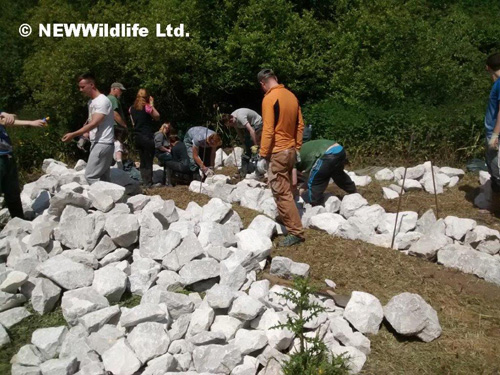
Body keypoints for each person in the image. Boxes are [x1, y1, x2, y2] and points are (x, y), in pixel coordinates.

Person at [258, 68, 305, 247]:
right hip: (291, 149)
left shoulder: (269, 98)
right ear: (275, 79)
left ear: (263, 84)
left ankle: (295, 232)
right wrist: (297, 147)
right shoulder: (292, 96)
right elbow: (300, 125)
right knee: (287, 189)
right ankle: (289, 215)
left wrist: (263, 154)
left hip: (278, 151)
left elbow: (268, 129)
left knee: (281, 191)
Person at [62, 73, 115, 185]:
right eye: (79, 87)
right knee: (104, 178)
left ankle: (101, 201)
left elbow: (95, 122)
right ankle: (112, 200)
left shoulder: (102, 101)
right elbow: (91, 121)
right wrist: (85, 135)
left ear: (91, 85)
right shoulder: (91, 102)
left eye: (83, 87)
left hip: (103, 143)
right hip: (98, 142)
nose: (80, 90)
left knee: (90, 176)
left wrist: (73, 134)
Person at [0, 111, 46, 219]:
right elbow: (2, 120)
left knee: (13, 192)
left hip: (8, 156)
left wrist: (6, 114)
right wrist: (30, 122)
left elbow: (11, 118)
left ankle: (19, 222)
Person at [296, 139, 356, 206]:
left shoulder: (293, 161)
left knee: (315, 182)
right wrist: (302, 188)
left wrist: (299, 190)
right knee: (338, 176)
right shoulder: (298, 152)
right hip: (339, 150)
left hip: (327, 155)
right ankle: (354, 193)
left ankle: (317, 207)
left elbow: (311, 177)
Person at [129, 88, 160, 187]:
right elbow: (157, 116)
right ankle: (149, 183)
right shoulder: (147, 107)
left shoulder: (131, 109)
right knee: (148, 159)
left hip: (137, 136)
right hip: (146, 135)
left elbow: (133, 123)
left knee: (142, 159)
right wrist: (152, 104)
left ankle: (143, 180)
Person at [222, 109, 263, 176]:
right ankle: (244, 171)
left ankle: (259, 168)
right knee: (248, 147)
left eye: (230, 125)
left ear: (231, 120)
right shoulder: (232, 119)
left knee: (254, 146)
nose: (231, 126)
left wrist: (256, 145)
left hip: (257, 123)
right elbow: (238, 132)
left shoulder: (240, 116)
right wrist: (243, 143)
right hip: (250, 125)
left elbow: (251, 130)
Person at [485, 53, 500, 200]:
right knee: (493, 167)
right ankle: (495, 206)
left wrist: (495, 135)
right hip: (493, 132)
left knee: (497, 171)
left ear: (488, 68)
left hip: (496, 134)